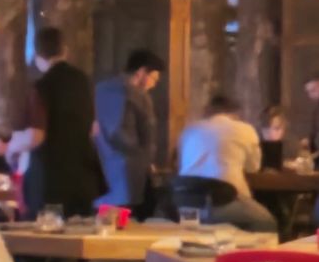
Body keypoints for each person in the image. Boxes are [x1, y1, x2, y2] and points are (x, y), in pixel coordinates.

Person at [22, 26, 102, 219]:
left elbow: (37, 136)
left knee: (48, 232)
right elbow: (94, 129)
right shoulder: (83, 81)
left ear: (37, 56)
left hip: (51, 181)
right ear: (65, 51)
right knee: (81, 231)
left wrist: (9, 148)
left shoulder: (42, 86)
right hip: (83, 176)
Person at [177, 95, 277, 233]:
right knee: (266, 222)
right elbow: (253, 168)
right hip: (223, 201)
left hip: (186, 204)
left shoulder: (189, 130)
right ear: (235, 113)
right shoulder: (245, 129)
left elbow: (180, 164)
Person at [94, 47, 163, 216]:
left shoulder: (100, 89)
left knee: (104, 223)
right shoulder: (139, 96)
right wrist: (148, 164)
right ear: (142, 72)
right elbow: (147, 137)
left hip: (99, 170)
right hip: (130, 174)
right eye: (153, 78)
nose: (154, 84)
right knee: (127, 223)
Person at [259, 105, 288, 172]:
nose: (271, 133)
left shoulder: (291, 148)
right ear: (260, 129)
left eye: (276, 129)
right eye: (266, 129)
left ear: (284, 129)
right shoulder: (255, 149)